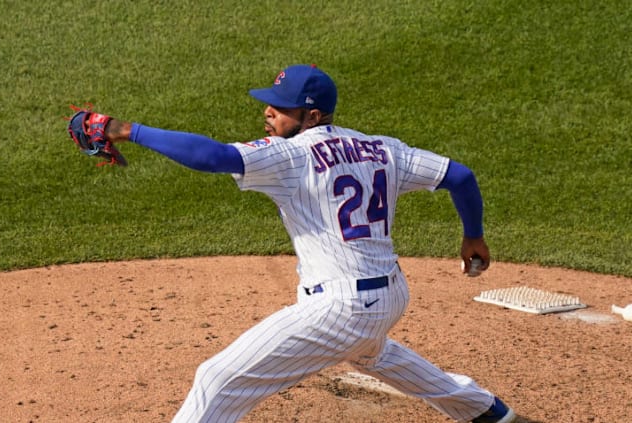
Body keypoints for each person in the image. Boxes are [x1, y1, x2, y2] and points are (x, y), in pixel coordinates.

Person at [94, 64, 516, 423]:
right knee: (374, 355)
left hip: (341, 308)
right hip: (389, 294)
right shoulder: (384, 148)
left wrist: (126, 130)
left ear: (311, 116)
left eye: (280, 108)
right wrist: (473, 235)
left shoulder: (291, 156)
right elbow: (459, 176)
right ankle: (485, 410)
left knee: (217, 377)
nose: (268, 112)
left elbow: (214, 157)